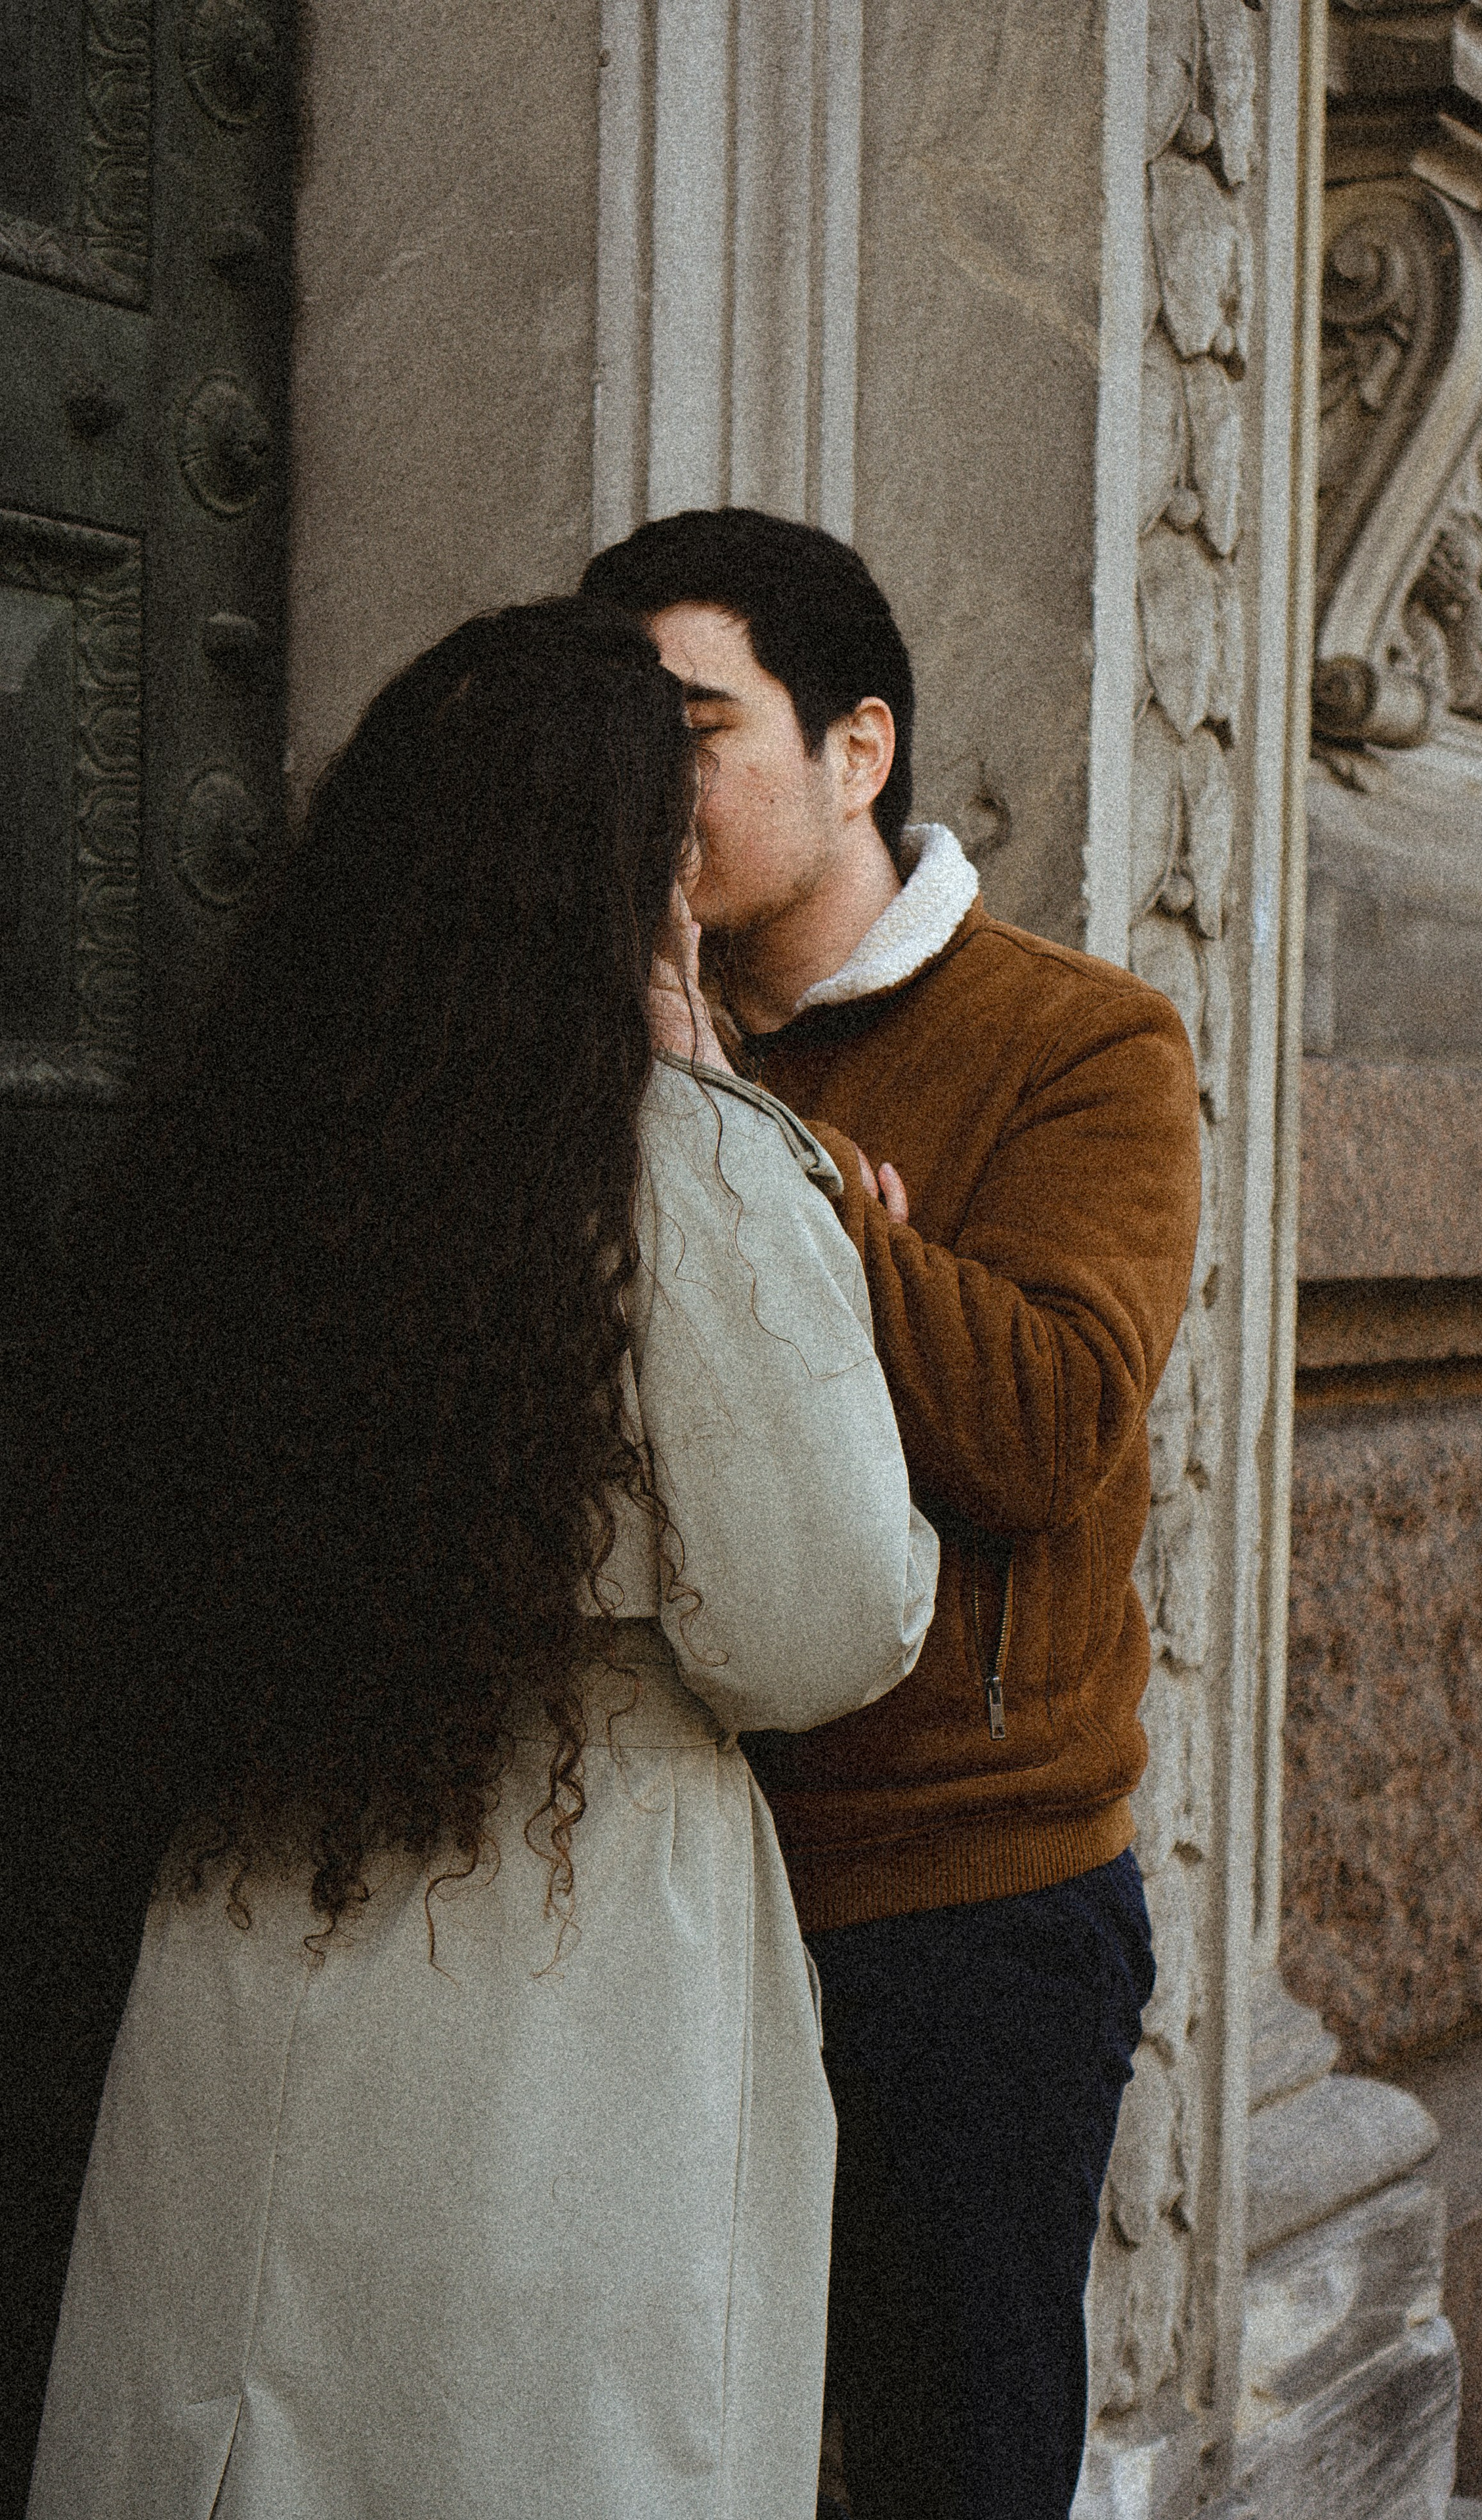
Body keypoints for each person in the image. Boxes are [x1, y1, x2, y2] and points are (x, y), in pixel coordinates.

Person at [17, 598, 937, 2520]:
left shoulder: (244, 1140)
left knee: (239, 2417)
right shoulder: (680, 1169)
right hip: (574, 1948)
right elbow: (826, 1626)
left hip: (260, 1886)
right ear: (648, 873)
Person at [579, 512, 1204, 2520]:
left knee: (947, 2465)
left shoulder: (1082, 1041)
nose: (641, 789)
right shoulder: (576, 1034)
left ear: (858, 749)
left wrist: (762, 1156)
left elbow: (1049, 1420)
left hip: (960, 1908)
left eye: (693, 729)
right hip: (655, 1875)